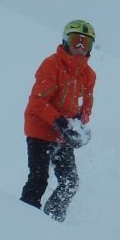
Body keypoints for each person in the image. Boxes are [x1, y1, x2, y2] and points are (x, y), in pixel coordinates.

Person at [20, 19, 97, 222]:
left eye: (85, 43)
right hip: (40, 129)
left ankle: (51, 222)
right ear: (65, 41)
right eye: (75, 40)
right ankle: (23, 219)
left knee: (70, 182)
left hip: (62, 135)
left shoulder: (89, 75)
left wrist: (78, 126)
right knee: (39, 179)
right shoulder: (52, 64)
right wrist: (60, 123)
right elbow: (38, 101)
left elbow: (86, 106)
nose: (80, 47)